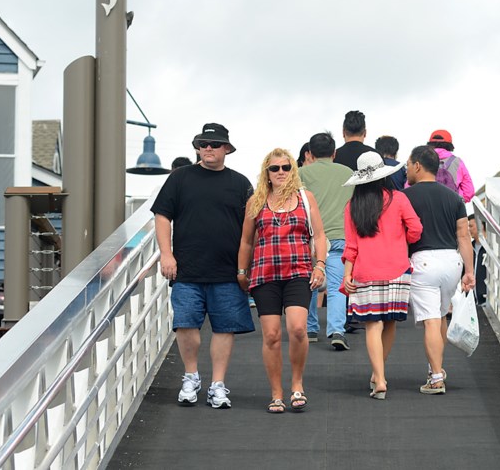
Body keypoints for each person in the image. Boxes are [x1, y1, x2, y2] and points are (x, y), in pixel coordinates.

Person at [152, 122, 254, 409]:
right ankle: (191, 376)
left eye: (214, 144)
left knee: (225, 329)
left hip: (227, 271)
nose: (207, 148)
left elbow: (252, 229)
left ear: (227, 149)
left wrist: (246, 268)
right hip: (187, 269)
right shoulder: (180, 178)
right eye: (202, 144)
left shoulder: (241, 183)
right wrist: (166, 254)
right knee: (185, 324)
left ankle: (218, 385)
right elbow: (162, 216)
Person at [237, 148, 328, 414]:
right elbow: (246, 241)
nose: (280, 172)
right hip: (265, 274)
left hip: (298, 271)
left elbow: (320, 235)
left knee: (299, 329)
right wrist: (242, 272)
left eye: (285, 167)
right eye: (274, 168)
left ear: (293, 170)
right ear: (266, 172)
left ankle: (297, 385)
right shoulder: (256, 201)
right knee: (272, 335)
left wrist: (320, 265)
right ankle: (276, 393)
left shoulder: (305, 197)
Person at [342, 152, 422, 399]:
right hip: (397, 269)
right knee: (389, 322)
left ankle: (379, 377)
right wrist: (402, 242)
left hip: (365, 271)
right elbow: (416, 229)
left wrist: (347, 274)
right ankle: (378, 374)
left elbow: (351, 246)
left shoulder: (352, 207)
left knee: (372, 326)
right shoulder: (398, 199)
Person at [404, 145, 475, 395]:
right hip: (451, 261)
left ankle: (435, 378)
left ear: (418, 166)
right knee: (441, 315)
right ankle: (437, 368)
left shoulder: (407, 197)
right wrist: (469, 271)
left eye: (408, 163)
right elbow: (464, 236)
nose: (406, 168)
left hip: (423, 260)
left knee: (431, 321)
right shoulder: (454, 197)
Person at [300, 132, 354, 349]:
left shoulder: (301, 173)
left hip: (309, 238)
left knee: (309, 284)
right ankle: (337, 330)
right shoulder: (348, 173)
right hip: (341, 235)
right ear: (334, 152)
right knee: (337, 287)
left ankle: (311, 328)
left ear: (310, 153)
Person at [427, 129, 475, 203]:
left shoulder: (421, 160)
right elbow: (469, 191)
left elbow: (410, 186)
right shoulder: (458, 162)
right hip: (451, 207)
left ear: (430, 144)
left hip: (426, 207)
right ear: (449, 145)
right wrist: (459, 201)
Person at [467, 210, 488, 306]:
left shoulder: (490, 249)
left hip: (487, 302)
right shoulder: (469, 248)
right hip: (472, 302)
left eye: (471, 226)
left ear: (481, 226)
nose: (469, 229)